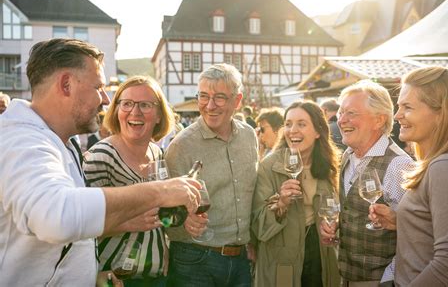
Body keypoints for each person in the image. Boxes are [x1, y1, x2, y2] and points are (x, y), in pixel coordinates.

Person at [0, 38, 201, 286]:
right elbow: (56, 216)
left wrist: (91, 273)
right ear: (66, 84)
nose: (106, 99)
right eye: (98, 87)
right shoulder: (22, 141)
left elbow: (67, 237)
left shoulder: (62, 141)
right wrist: (161, 191)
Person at [369, 67, 448, 286]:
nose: (397, 116)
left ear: (442, 113)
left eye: (407, 107)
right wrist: (404, 222)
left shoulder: (446, 167)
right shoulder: (446, 164)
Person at [84, 76, 189, 286]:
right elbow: (80, 225)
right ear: (116, 110)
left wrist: (163, 245)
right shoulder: (101, 156)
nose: (135, 112)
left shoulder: (157, 153)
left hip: (157, 275)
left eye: (145, 105)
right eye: (127, 104)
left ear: (159, 115)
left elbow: (159, 217)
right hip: (115, 277)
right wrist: (126, 223)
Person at [164, 63, 259, 287]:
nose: (209, 105)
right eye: (203, 96)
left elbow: (252, 192)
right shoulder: (181, 146)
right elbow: (165, 213)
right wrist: (183, 221)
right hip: (194, 259)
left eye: (219, 97)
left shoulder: (249, 136)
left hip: (240, 260)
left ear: (237, 101)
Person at [320, 80, 413, 287]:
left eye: (351, 113)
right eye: (341, 112)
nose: (341, 120)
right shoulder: (348, 155)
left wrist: (388, 280)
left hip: (381, 280)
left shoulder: (399, 164)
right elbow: (356, 210)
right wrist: (339, 224)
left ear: (379, 120)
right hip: (346, 276)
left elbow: (415, 231)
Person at [252, 100, 341, 287]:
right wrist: (281, 204)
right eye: (288, 124)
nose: (293, 130)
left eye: (301, 124)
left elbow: (337, 209)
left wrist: (335, 223)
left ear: (318, 131)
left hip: (320, 254)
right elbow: (258, 226)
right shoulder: (269, 167)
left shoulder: (329, 168)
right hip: (283, 259)